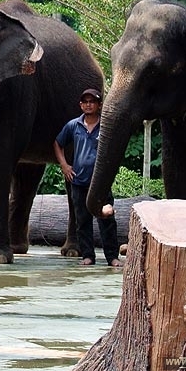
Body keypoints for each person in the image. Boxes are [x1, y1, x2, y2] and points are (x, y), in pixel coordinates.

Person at [53, 88, 122, 267]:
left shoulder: (106, 125)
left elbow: (116, 148)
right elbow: (57, 143)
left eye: (92, 101)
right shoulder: (73, 125)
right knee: (82, 221)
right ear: (81, 105)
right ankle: (88, 256)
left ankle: (112, 257)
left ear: (99, 105)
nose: (88, 104)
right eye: (85, 102)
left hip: (100, 182)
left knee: (107, 220)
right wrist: (64, 165)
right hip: (78, 181)